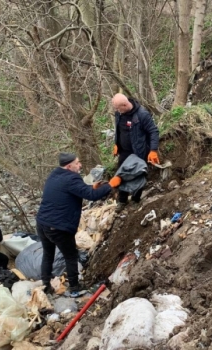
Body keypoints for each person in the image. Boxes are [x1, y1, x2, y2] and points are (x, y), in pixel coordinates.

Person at [36, 153, 117, 296]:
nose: (80, 166)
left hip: (42, 223)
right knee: (71, 255)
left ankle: (45, 286)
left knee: (48, 254)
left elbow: (76, 189)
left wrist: (92, 186)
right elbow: (91, 196)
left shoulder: (55, 174)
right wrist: (111, 185)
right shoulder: (72, 178)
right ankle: (74, 288)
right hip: (58, 227)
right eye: (77, 163)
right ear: (69, 166)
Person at [112, 93, 160, 212]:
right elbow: (119, 130)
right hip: (124, 151)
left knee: (138, 175)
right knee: (121, 174)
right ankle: (122, 201)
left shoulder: (142, 115)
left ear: (124, 104)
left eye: (118, 108)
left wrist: (153, 150)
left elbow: (153, 131)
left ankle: (135, 199)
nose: (117, 111)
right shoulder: (119, 114)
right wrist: (116, 143)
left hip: (139, 151)